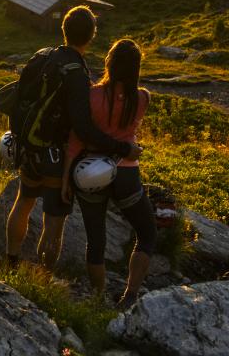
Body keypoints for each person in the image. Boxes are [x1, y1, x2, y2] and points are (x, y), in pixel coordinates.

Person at [3, 5, 98, 270]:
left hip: (29, 147)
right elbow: (82, 124)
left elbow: (21, 97)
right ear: (91, 36)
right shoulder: (77, 72)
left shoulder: (43, 56)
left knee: (24, 200)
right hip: (56, 155)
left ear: (63, 29)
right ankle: (43, 277)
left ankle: (11, 260)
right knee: (54, 220)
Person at [66, 37, 156, 308]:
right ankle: (130, 296)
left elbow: (75, 140)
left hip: (89, 173)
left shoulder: (92, 95)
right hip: (125, 173)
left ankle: (98, 298)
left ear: (109, 63)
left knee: (96, 239)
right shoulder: (142, 98)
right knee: (147, 232)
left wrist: (65, 178)